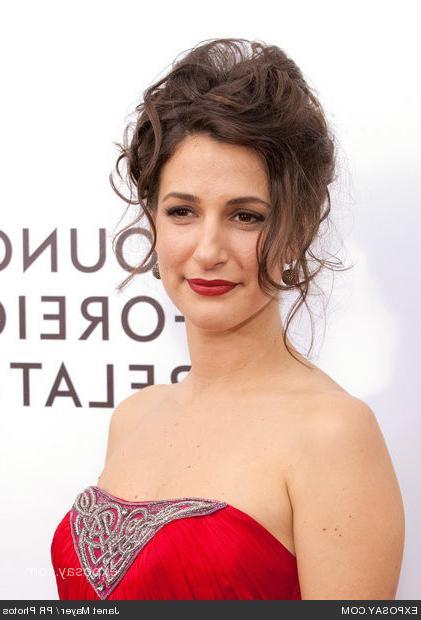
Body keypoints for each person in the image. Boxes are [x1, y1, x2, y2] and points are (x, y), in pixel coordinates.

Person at [50, 37, 405, 600]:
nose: (209, 250)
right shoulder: (132, 418)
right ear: (153, 221)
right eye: (182, 211)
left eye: (246, 216)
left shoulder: (333, 433)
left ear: (297, 230)